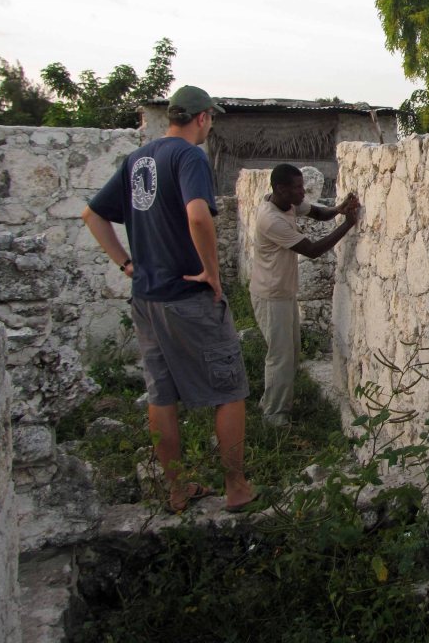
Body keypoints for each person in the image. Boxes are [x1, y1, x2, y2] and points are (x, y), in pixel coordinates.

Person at [82, 85, 257, 513]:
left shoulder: (138, 159)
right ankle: (236, 487)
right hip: (187, 294)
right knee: (229, 388)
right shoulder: (189, 156)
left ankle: (177, 490)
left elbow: (92, 214)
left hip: (146, 296)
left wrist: (126, 263)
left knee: (161, 395)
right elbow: (197, 215)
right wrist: (212, 272)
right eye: (210, 119)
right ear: (202, 118)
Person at [250, 163, 360, 427]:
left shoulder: (286, 203)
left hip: (283, 291)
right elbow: (311, 250)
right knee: (280, 356)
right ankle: (275, 416)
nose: (303, 192)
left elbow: (318, 213)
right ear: (281, 189)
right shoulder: (271, 220)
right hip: (270, 295)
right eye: (297, 188)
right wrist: (348, 225)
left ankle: (271, 402)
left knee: (290, 352)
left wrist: (339, 209)